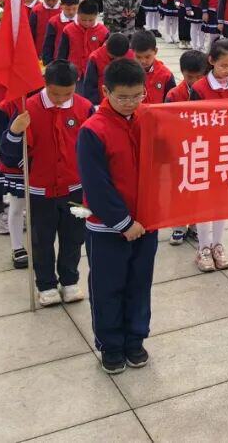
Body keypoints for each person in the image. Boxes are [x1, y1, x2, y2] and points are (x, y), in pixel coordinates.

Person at [77, 58, 155, 374]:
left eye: (137, 95)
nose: (130, 103)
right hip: (108, 229)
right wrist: (123, 223)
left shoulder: (149, 120)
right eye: (122, 97)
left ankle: (135, 339)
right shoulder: (93, 130)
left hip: (146, 223)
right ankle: (110, 345)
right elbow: (96, 186)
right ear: (105, 91)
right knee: (107, 288)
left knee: (140, 285)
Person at [0, 61, 94, 306]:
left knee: (73, 238)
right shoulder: (28, 108)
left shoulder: (84, 108)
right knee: (42, 240)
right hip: (40, 190)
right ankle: (46, 284)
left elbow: (94, 147)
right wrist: (14, 131)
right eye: (55, 94)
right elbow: (8, 153)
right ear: (45, 84)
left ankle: (70, 280)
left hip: (74, 188)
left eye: (67, 93)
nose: (61, 99)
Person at [191, 39, 228, 272]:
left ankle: (217, 245)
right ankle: (203, 247)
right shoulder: (199, 89)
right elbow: (191, 122)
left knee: (221, 201)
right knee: (204, 201)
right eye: (223, 65)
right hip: (205, 152)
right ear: (211, 61)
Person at [131, 31, 176, 104]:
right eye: (138, 57)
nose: (143, 61)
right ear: (132, 52)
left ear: (155, 51)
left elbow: (172, 101)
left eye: (147, 57)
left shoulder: (165, 75)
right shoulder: (127, 74)